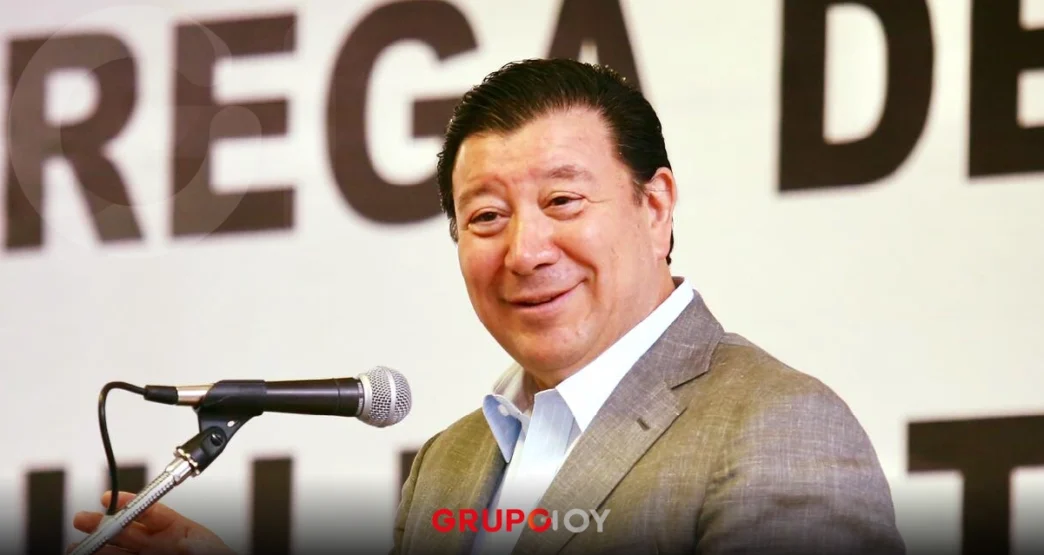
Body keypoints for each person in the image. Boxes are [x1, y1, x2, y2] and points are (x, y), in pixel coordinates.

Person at [70, 58, 905, 555]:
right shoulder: (450, 461)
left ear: (655, 208)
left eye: (563, 201)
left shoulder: (778, 429)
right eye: (486, 217)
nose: (525, 249)